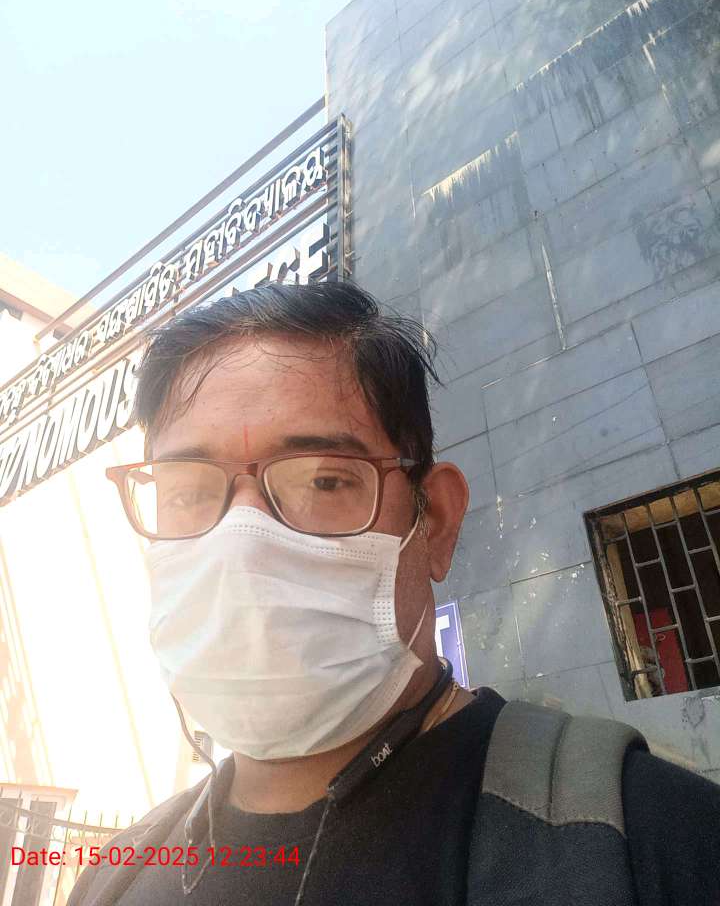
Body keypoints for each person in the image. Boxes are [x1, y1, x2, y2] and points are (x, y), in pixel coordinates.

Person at [69, 281, 719, 905]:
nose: (241, 546)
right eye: (186, 491)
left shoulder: (650, 845)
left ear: (435, 522)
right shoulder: (113, 877)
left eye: (324, 481)